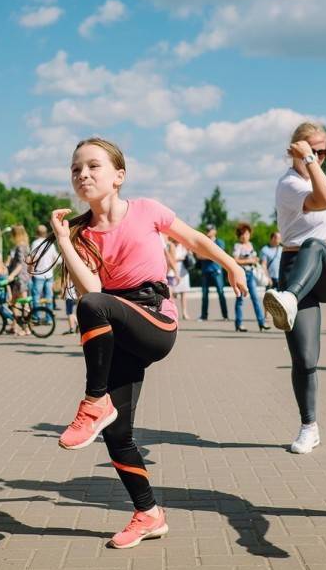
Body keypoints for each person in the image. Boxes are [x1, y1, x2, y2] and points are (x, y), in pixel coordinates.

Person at [34, 137, 246, 549]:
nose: (83, 174)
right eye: (76, 169)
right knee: (118, 434)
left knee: (94, 306)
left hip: (155, 321)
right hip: (117, 324)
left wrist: (233, 264)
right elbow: (92, 288)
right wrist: (64, 241)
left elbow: (196, 241)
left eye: (93, 166)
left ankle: (94, 402)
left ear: (119, 176)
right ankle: (148, 514)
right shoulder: (83, 234)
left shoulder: (147, 210)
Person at [261, 122, 326, 455]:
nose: (321, 157)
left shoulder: (317, 175)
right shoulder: (288, 184)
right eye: (315, 150)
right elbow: (321, 197)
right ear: (296, 150)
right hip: (294, 268)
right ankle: (309, 427)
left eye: (325, 150)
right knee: (304, 357)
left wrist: (311, 161)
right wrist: (305, 159)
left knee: (314, 244)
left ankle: (287, 299)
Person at [232, 223, 269, 332]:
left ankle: (261, 323)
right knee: (240, 300)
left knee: (255, 299)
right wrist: (249, 260)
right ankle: (239, 324)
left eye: (247, 233)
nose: (245, 236)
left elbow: (254, 258)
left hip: (251, 274)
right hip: (241, 275)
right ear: (239, 235)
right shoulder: (237, 246)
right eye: (243, 234)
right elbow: (235, 260)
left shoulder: (251, 245)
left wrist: (255, 260)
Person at [197, 225, 229, 321]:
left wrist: (207, 255)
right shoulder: (203, 241)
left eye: (210, 229)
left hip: (216, 271)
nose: (207, 231)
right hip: (205, 271)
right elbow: (198, 255)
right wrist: (211, 255)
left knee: (220, 292)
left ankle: (225, 315)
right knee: (204, 294)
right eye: (206, 229)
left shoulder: (220, 242)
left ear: (215, 231)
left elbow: (219, 255)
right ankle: (204, 316)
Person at [5, 225, 32, 335]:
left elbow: (20, 264)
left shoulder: (20, 247)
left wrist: (11, 275)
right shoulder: (26, 246)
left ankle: (26, 328)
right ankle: (14, 326)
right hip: (24, 277)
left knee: (23, 304)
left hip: (19, 278)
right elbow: (30, 261)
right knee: (14, 303)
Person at [30, 224, 58, 318]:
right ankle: (49, 318)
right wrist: (51, 268)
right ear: (46, 233)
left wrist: (31, 270)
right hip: (49, 274)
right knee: (48, 297)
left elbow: (33, 258)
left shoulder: (35, 243)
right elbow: (57, 259)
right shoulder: (50, 243)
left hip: (38, 274)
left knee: (36, 297)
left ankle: (36, 316)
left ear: (36, 233)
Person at [165, 236, 192, 320]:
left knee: (184, 292)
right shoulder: (171, 245)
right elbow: (170, 259)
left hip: (183, 270)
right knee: (171, 294)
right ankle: (173, 313)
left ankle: (184, 312)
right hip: (172, 271)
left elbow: (190, 255)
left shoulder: (184, 246)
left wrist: (189, 253)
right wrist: (179, 258)